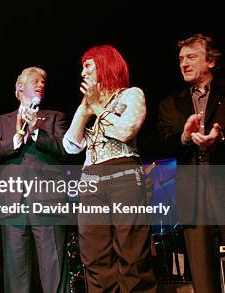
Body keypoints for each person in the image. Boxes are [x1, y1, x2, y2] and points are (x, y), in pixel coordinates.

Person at [63, 45, 156, 292]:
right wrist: (85, 108)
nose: (82, 73)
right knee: (94, 256)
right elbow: (71, 145)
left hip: (123, 173)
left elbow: (125, 132)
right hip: (91, 178)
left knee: (132, 253)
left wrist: (96, 107)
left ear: (105, 65)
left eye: (88, 67)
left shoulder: (131, 95)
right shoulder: (89, 104)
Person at [0, 67, 69, 293]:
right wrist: (15, 140)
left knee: (53, 268)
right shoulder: (1, 121)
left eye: (43, 81)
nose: (41, 84)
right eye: (35, 81)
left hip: (48, 200)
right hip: (12, 203)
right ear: (19, 86)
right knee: (15, 271)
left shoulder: (54, 118)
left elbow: (65, 149)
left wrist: (37, 132)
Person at [157, 33, 225, 293]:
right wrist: (184, 137)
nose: (184, 63)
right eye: (181, 59)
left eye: (191, 57)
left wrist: (220, 139)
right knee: (203, 277)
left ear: (210, 62)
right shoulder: (170, 104)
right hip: (193, 196)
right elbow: (162, 142)